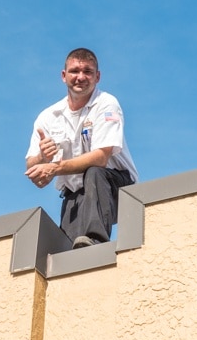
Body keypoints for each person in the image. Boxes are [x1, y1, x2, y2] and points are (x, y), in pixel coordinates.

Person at [25, 48, 138, 249]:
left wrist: (54, 168)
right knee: (69, 252)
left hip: (117, 187)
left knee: (94, 172)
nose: (81, 77)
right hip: (77, 193)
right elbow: (33, 170)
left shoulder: (106, 104)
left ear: (98, 76)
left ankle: (96, 240)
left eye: (87, 71)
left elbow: (101, 158)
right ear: (63, 76)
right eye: (75, 71)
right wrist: (42, 157)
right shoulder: (48, 117)